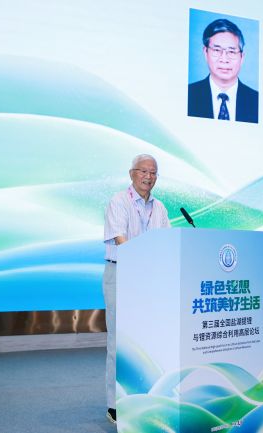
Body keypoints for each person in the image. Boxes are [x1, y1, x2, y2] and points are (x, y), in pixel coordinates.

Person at [102, 154, 171, 424]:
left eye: (153, 172)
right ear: (132, 173)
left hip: (150, 280)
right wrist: (144, 260)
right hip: (121, 274)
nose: (148, 176)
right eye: (143, 171)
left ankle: (146, 401)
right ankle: (114, 405)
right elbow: (120, 238)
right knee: (118, 343)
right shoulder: (119, 201)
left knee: (147, 343)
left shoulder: (160, 208)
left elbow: (167, 241)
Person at [188, 18, 258, 123]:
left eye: (231, 52)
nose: (224, 59)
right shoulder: (189, 94)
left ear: (242, 57)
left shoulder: (256, 101)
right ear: (205, 52)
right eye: (217, 50)